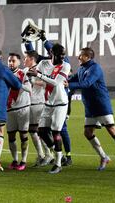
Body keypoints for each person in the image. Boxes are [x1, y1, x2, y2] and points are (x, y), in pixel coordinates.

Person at [68, 47, 115, 171]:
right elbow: (72, 79)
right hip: (90, 107)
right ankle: (104, 157)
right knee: (88, 133)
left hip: (101, 104)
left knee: (112, 130)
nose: (78, 57)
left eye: (81, 55)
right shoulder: (82, 68)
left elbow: (87, 83)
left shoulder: (95, 68)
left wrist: (68, 84)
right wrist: (61, 80)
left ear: (88, 57)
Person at [27, 43, 71, 174]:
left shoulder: (65, 65)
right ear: (52, 52)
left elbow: (56, 83)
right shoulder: (43, 64)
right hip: (48, 102)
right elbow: (34, 77)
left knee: (56, 131)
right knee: (41, 131)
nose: (62, 57)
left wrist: (39, 76)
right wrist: (33, 75)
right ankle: (59, 154)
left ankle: (57, 164)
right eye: (59, 54)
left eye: (63, 54)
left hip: (60, 103)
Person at [6, 53, 32, 171]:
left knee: (23, 135)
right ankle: (15, 160)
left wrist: (17, 82)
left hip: (23, 108)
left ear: (19, 62)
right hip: (9, 109)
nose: (11, 63)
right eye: (9, 61)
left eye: (13, 61)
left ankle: (24, 160)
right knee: (11, 135)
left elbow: (29, 88)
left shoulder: (23, 74)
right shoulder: (5, 74)